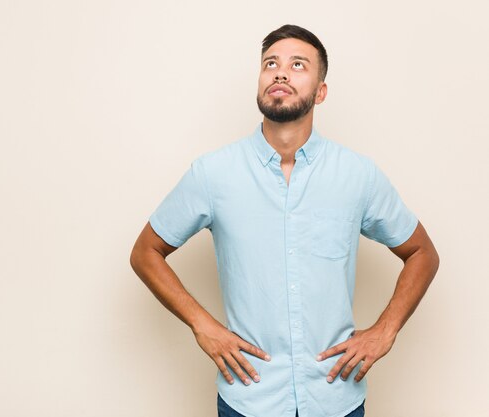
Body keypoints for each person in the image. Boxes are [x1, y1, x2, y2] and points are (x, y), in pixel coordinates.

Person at [129, 24, 439, 417]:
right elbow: (145, 252)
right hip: (248, 400)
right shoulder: (213, 173)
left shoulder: (358, 175)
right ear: (259, 82)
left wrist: (385, 330)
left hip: (337, 399)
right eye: (270, 64)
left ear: (321, 91)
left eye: (297, 65)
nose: (280, 72)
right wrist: (201, 324)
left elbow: (422, 253)